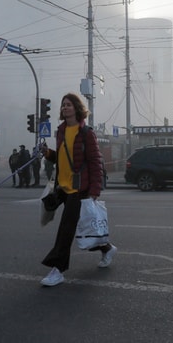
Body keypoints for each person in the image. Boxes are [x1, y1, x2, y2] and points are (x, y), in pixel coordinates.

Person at [39, 92, 116, 287]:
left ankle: (57, 270)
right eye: (63, 105)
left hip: (79, 189)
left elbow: (95, 162)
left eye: (69, 105)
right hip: (62, 187)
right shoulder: (61, 131)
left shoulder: (86, 132)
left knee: (67, 230)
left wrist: (94, 191)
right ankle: (106, 248)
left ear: (77, 108)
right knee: (85, 228)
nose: (65, 108)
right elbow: (63, 157)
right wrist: (48, 153)